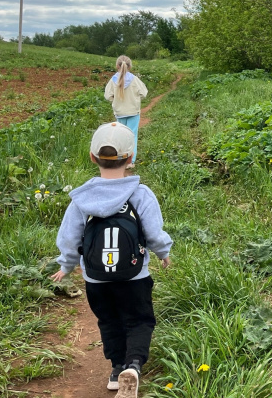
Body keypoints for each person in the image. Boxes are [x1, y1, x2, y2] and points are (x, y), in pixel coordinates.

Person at [50, 122, 172, 398]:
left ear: (92, 157)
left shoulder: (81, 198)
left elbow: (70, 238)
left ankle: (117, 370)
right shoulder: (140, 193)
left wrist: (66, 265)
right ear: (131, 158)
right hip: (134, 276)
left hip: (96, 279)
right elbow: (154, 233)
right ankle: (134, 365)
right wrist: (164, 253)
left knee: (108, 321)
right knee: (139, 320)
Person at [104, 55, 148, 169]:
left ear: (117, 66)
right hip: (133, 111)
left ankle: (121, 160)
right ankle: (130, 161)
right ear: (130, 66)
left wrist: (115, 100)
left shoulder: (113, 80)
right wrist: (135, 99)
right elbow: (144, 93)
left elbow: (107, 95)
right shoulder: (134, 79)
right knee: (132, 135)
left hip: (119, 112)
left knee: (120, 135)